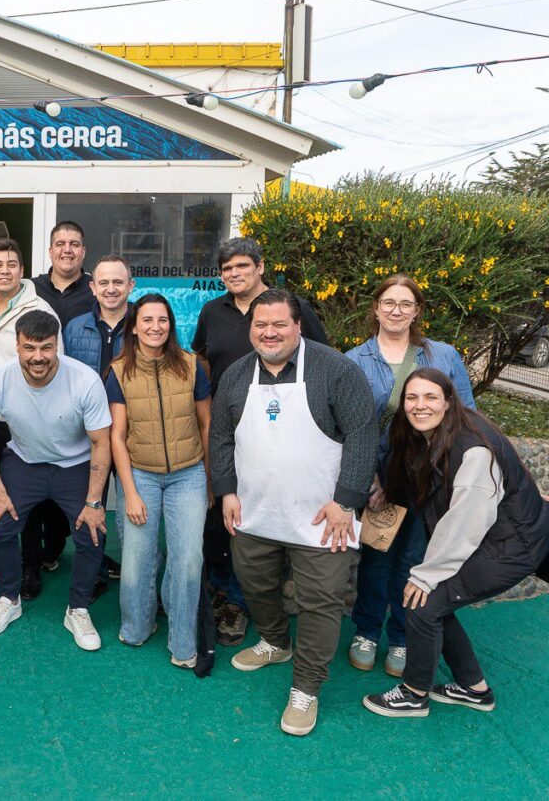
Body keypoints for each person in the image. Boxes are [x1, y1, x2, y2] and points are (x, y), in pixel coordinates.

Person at [210, 289, 377, 737]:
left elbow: (363, 435)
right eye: (260, 325)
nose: (269, 333)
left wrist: (346, 501)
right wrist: (226, 491)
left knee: (321, 603)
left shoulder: (336, 370)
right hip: (255, 512)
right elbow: (221, 438)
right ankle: (275, 641)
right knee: (255, 583)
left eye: (279, 324)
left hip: (324, 518)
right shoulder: (236, 375)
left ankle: (306, 688)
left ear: (298, 326)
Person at [363, 369, 549, 718]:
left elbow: (467, 520)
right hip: (499, 534)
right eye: (412, 398)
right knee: (434, 603)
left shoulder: (472, 447)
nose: (420, 406)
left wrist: (427, 574)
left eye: (430, 397)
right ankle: (473, 689)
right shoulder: (428, 433)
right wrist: (386, 489)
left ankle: (414, 693)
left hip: (510, 545)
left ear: (448, 402)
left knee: (423, 601)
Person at [192, 236, 329, 647]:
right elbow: (201, 359)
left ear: (260, 266)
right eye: (227, 268)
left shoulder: (289, 308)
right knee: (221, 507)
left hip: (279, 427)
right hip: (223, 426)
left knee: (253, 513)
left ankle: (238, 601)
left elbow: (322, 359)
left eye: (242, 266)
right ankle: (219, 588)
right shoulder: (211, 311)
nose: (234, 274)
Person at [344, 275, 475, 678]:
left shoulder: (444, 355)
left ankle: (402, 637)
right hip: (381, 476)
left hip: (430, 475)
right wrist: (368, 480)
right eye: (388, 302)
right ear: (376, 309)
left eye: (405, 303)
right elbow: (350, 426)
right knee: (377, 556)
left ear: (417, 311)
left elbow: (465, 412)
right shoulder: (354, 360)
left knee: (414, 560)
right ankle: (366, 631)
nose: (396, 310)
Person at [0, 310, 112, 650]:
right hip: (24, 461)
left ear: (57, 346)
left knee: (91, 533)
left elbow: (100, 442)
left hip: (75, 464)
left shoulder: (84, 379)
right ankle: (9, 599)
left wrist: (94, 501)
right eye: (29, 348)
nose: (38, 357)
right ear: (17, 347)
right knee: (1, 523)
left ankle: (77, 608)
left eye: (46, 348)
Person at [106, 294, 212, 669]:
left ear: (171, 324)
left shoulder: (191, 365)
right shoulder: (119, 372)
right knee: (137, 558)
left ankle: (182, 642)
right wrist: (129, 493)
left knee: (188, 560)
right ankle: (139, 624)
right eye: (147, 320)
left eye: (162, 320)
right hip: (140, 475)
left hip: (188, 474)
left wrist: (211, 481)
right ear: (134, 326)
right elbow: (117, 436)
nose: (155, 327)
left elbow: (206, 424)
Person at [0, 239, 60, 593]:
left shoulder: (39, 308)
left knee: (28, 495)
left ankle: (31, 565)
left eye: (11, 264)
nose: (4, 270)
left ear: (22, 270)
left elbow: (53, 362)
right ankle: (0, 553)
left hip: (24, 415)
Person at [27, 221, 102, 586]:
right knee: (42, 478)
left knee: (82, 480)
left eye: (74, 243)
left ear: (83, 251)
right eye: (60, 243)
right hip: (39, 399)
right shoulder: (31, 288)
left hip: (85, 403)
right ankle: (45, 549)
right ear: (51, 250)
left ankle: (79, 549)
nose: (67, 249)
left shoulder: (94, 291)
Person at [63, 254, 135, 596]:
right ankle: (93, 573)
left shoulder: (145, 325)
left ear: (130, 286)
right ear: (92, 287)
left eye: (118, 282)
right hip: (87, 433)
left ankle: (138, 579)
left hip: (131, 432)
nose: (111, 289)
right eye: (103, 282)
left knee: (132, 507)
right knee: (90, 504)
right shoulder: (75, 327)